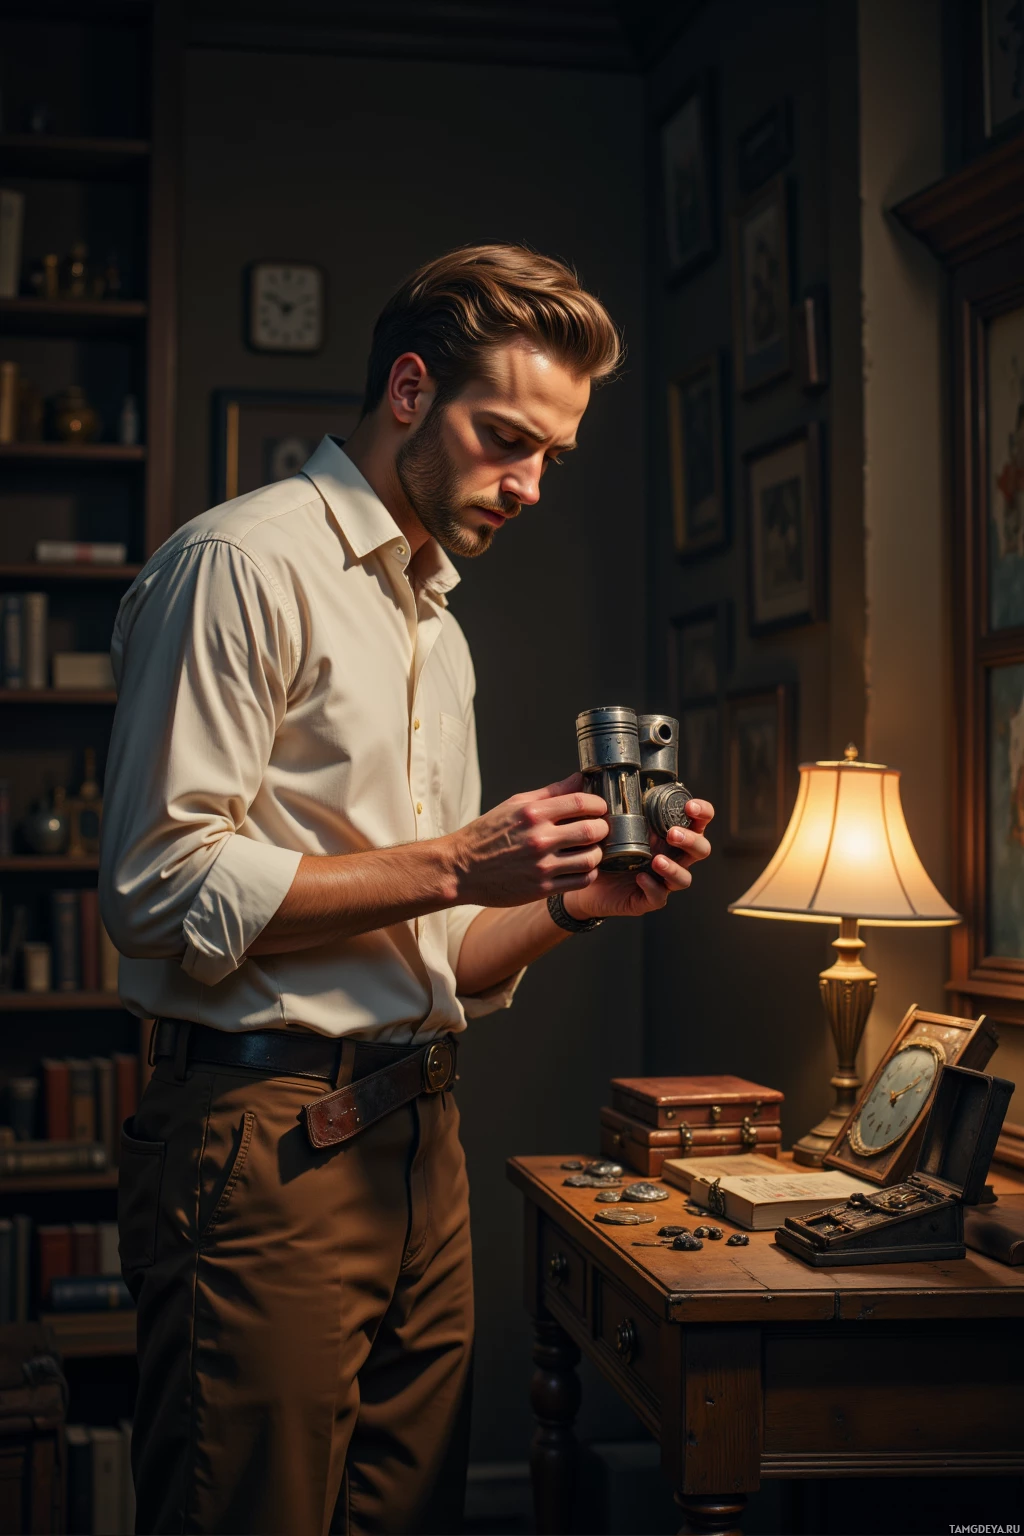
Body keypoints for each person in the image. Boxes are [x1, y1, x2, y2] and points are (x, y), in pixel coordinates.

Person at [99, 243, 714, 1536]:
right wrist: (452, 861)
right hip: (264, 1145)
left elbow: (434, 954)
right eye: (504, 438)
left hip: (420, 1143)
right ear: (409, 390)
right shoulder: (241, 568)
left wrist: (563, 909)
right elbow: (156, 889)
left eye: (552, 455)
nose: (530, 483)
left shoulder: (434, 623)